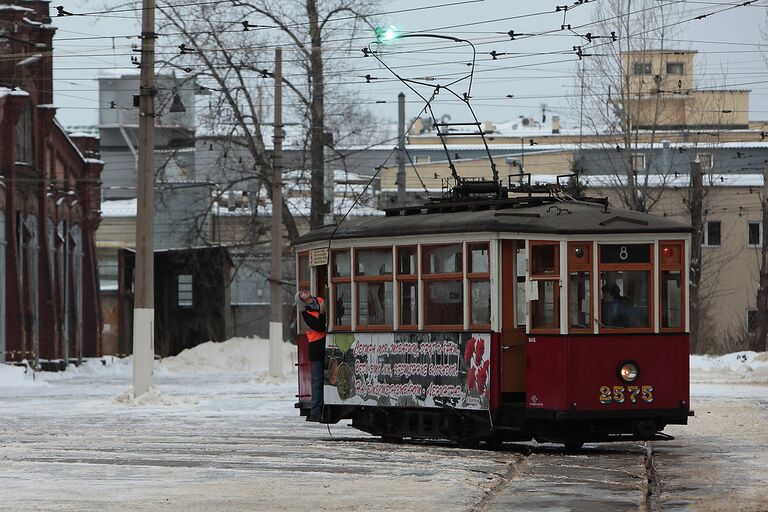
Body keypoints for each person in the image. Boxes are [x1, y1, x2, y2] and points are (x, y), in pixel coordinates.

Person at [296, 289, 326, 422]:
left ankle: (325, 407)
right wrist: (323, 312)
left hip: (327, 343)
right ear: (301, 300)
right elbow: (319, 326)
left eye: (303, 290)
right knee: (318, 380)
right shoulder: (306, 313)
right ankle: (315, 411)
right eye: (300, 293)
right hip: (316, 347)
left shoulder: (320, 300)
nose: (303, 291)